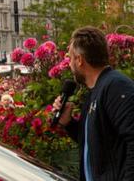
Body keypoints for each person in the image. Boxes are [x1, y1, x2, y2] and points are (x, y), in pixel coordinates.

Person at [53, 26, 134, 180]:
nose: (70, 65)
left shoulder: (115, 86)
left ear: (79, 60)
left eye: (70, 58)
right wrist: (69, 123)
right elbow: (97, 144)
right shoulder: (95, 91)